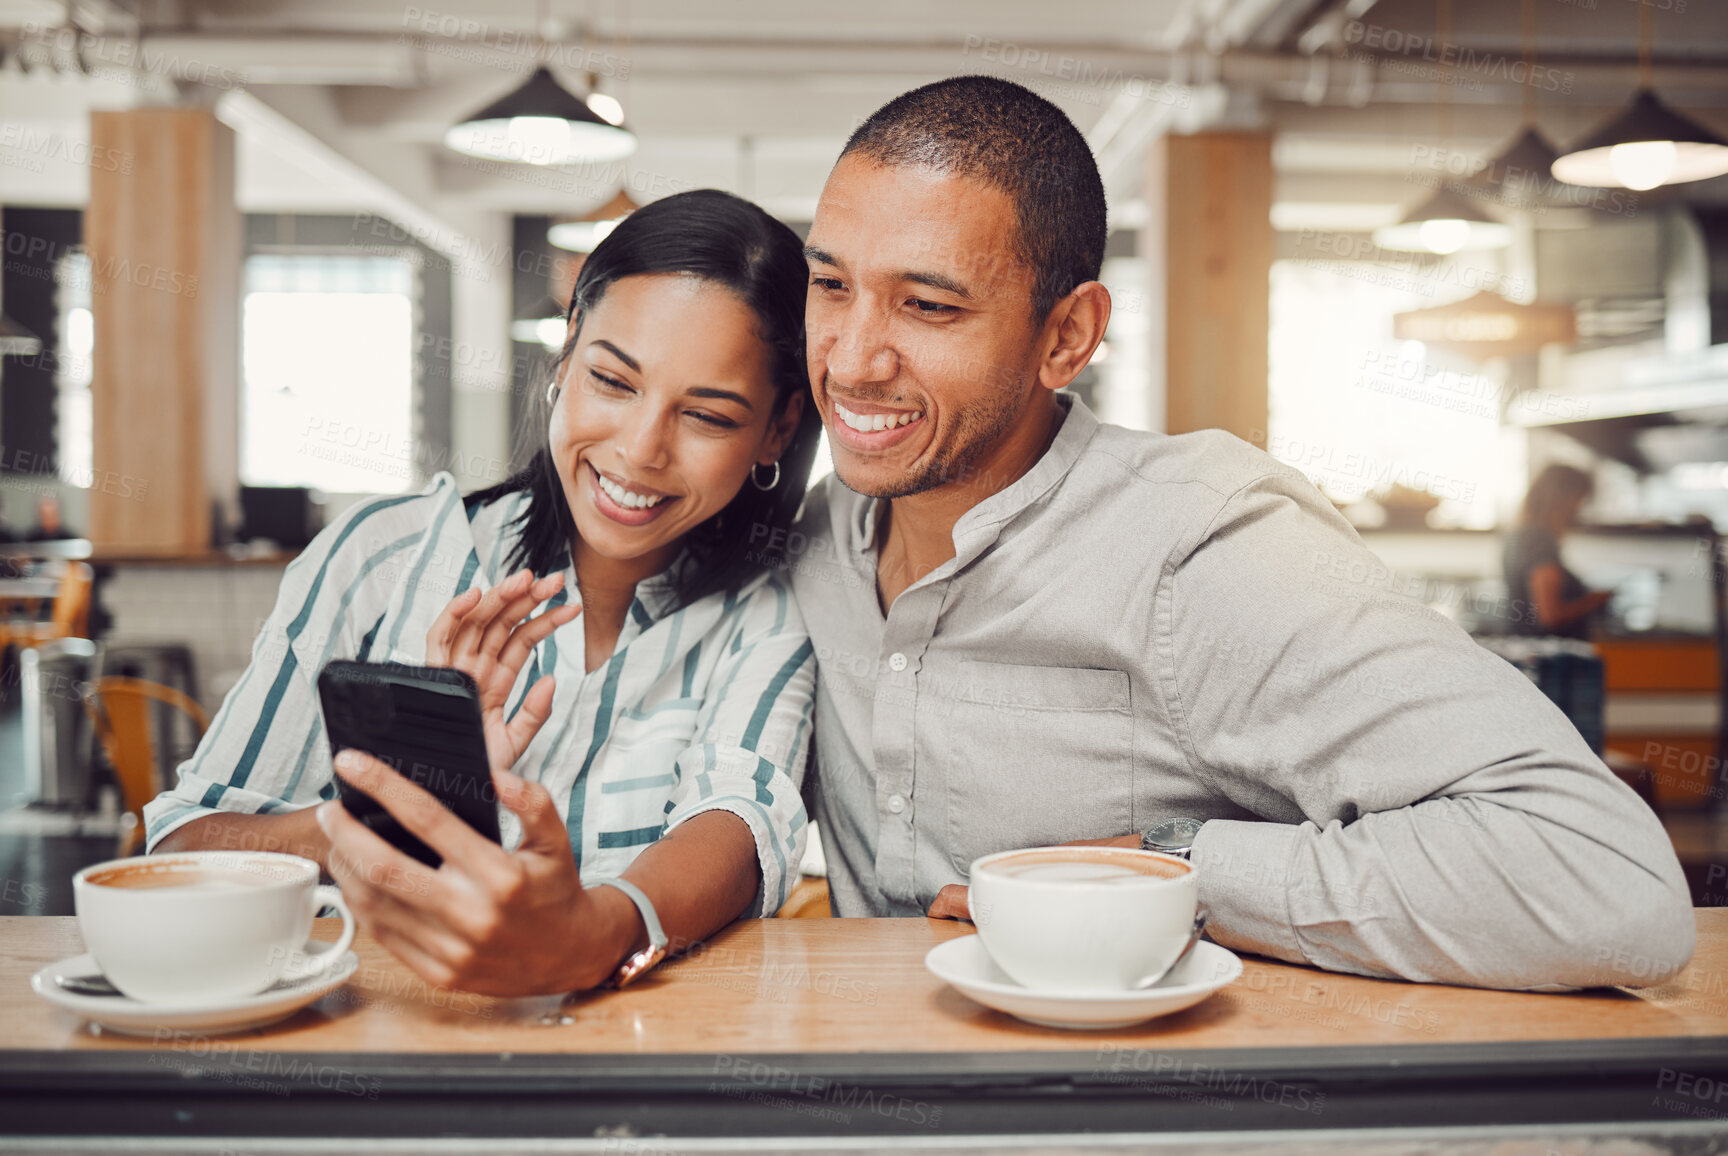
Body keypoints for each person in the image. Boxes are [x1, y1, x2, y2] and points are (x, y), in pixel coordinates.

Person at [787, 76, 1693, 990]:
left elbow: (1607, 886)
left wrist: (1172, 867)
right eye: (831, 285)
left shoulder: (1202, 545)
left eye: (929, 306)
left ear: (1066, 336)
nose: (854, 360)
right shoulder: (809, 540)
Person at [146, 189, 823, 996]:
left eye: (707, 417)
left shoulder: (769, 611)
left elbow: (736, 824)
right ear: (567, 352)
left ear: (778, 429)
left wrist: (596, 930)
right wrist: (382, 814)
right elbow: (177, 851)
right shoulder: (384, 559)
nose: (641, 451)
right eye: (612, 380)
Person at [1502, 464, 1611, 639]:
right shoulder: (1538, 539)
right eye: (1580, 499)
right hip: (1552, 657)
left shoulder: (1519, 535)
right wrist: (1595, 600)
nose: (1579, 509)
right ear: (1564, 499)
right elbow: (1550, 616)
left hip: (1531, 650)